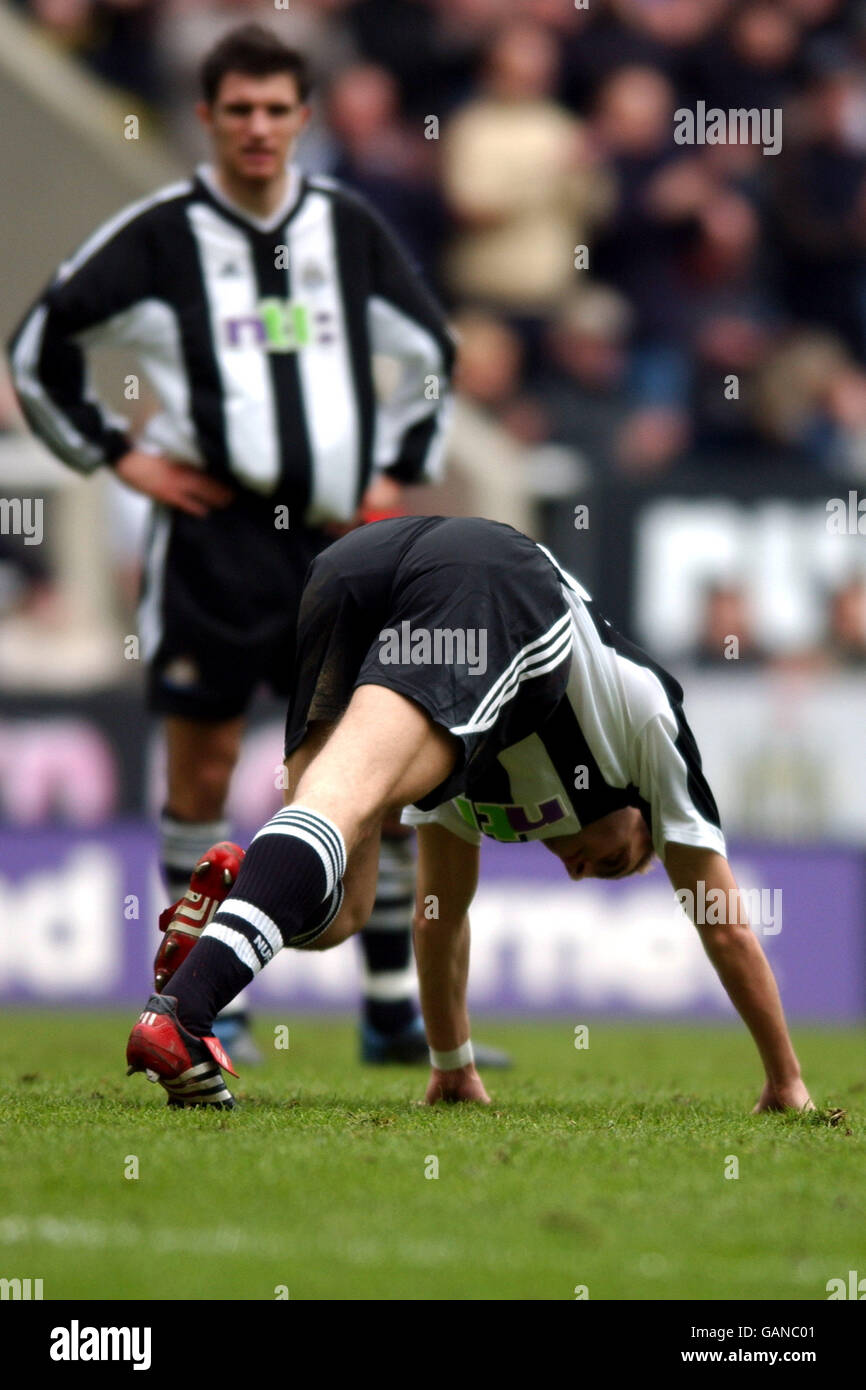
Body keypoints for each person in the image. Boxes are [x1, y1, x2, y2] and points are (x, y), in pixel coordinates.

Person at [7, 24, 513, 1068]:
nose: (256, 127)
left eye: (276, 109)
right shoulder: (158, 235)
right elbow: (38, 347)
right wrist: (117, 455)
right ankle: (203, 999)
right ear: (206, 117)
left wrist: (398, 462)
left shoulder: (345, 228)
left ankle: (389, 1010)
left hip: (339, 546)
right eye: (237, 109)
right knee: (200, 768)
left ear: (303, 116)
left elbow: (429, 350)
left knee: (371, 768)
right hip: (212, 537)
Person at [126, 516, 814, 1115]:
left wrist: (452, 1063)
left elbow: (440, 916)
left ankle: (233, 903)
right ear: (639, 805)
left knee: (342, 907)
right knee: (341, 804)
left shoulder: (487, 805)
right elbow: (723, 927)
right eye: (614, 859)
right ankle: (183, 1015)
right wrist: (785, 1078)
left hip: (351, 572)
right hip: (495, 583)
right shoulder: (649, 720)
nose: (581, 873)